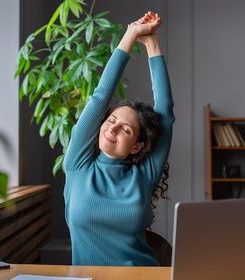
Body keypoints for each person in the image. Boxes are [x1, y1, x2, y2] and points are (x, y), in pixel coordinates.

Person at [63, 11, 175, 266]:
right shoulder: (77, 165)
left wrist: (152, 44)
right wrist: (131, 34)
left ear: (137, 145)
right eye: (111, 121)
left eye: (125, 129)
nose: (112, 129)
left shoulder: (144, 175)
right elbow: (100, 96)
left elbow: (165, 113)